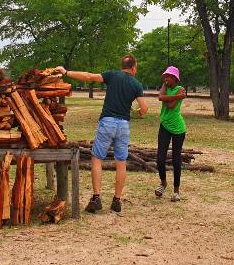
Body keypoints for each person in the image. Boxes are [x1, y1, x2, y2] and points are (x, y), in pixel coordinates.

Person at [54, 55, 148, 213]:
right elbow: (144, 109)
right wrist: (138, 112)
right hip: (124, 125)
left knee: (97, 158)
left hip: (107, 122)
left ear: (122, 66)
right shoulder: (136, 84)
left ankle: (96, 198)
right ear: (133, 68)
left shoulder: (112, 75)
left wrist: (66, 72)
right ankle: (117, 200)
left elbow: (89, 76)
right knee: (121, 162)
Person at [155, 66, 187, 202]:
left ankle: (176, 191)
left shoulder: (180, 89)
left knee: (176, 159)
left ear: (175, 78)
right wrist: (177, 97)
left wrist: (174, 96)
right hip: (164, 126)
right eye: (165, 76)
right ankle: (163, 183)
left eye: (168, 76)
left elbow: (170, 105)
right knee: (160, 158)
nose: (165, 78)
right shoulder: (168, 87)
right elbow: (160, 98)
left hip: (178, 129)